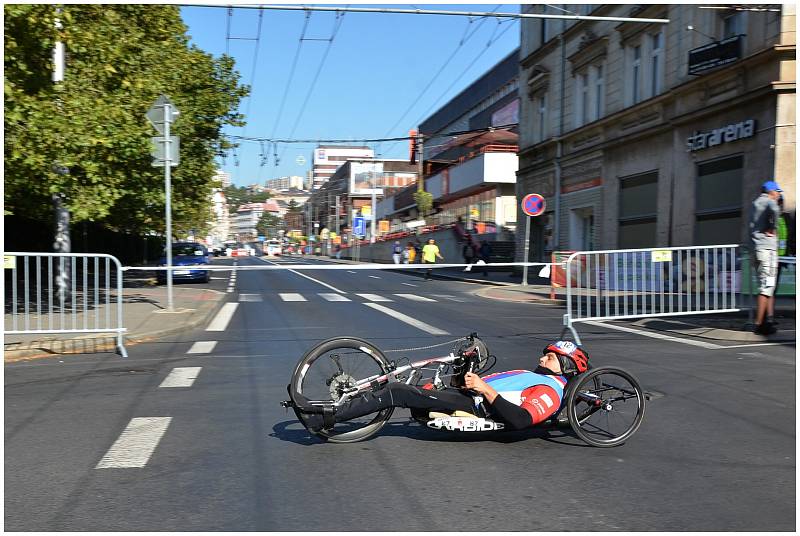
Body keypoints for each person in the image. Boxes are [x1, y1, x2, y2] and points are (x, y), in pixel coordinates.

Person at [298, 341, 590, 433]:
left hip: (476, 408)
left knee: (397, 392)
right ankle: (327, 408)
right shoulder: (534, 375)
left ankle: (323, 418)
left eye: (550, 357)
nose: (542, 357)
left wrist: (484, 389)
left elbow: (521, 419)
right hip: (469, 396)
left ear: (565, 366)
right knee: (414, 383)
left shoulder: (550, 391)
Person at [750, 180, 782, 335]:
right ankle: (759, 324)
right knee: (767, 287)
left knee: (766, 286)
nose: (779, 195)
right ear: (772, 192)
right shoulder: (769, 201)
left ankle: (768, 320)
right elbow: (775, 209)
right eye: (778, 192)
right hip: (767, 250)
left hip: (757, 249)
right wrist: (772, 227)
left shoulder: (755, 203)